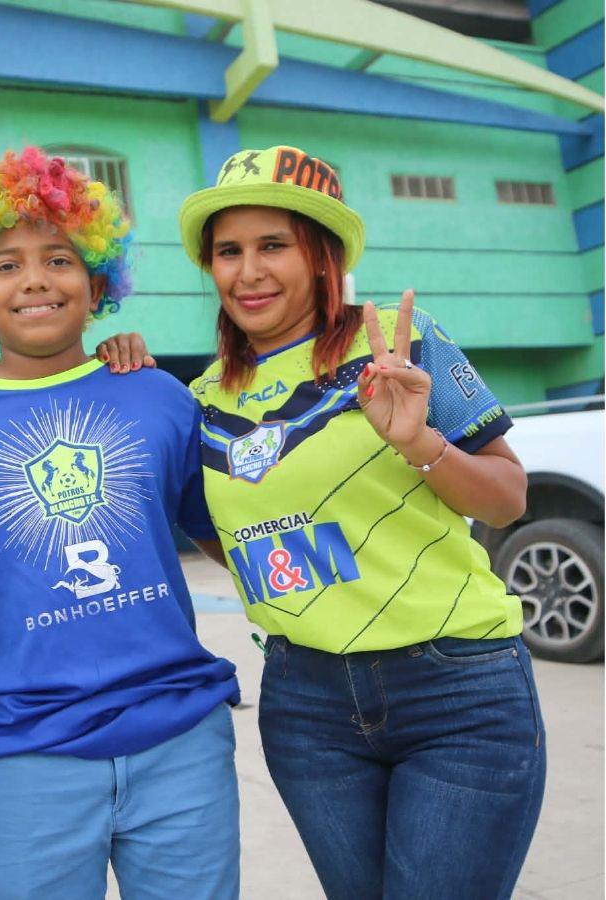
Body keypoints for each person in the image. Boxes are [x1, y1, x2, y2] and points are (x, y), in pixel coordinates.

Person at [100, 145, 545, 900]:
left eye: (274, 245)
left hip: (457, 691)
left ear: (321, 255)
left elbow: (507, 498)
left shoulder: (396, 348)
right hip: (306, 707)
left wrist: (419, 443)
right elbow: (220, 530)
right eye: (229, 252)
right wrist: (121, 365)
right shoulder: (199, 398)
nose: (249, 272)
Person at [0, 147, 241, 899]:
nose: (33, 280)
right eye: (6, 265)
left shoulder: (159, 395)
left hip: (181, 737)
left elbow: (232, 539)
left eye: (57, 259)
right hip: (23, 753)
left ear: (96, 281)